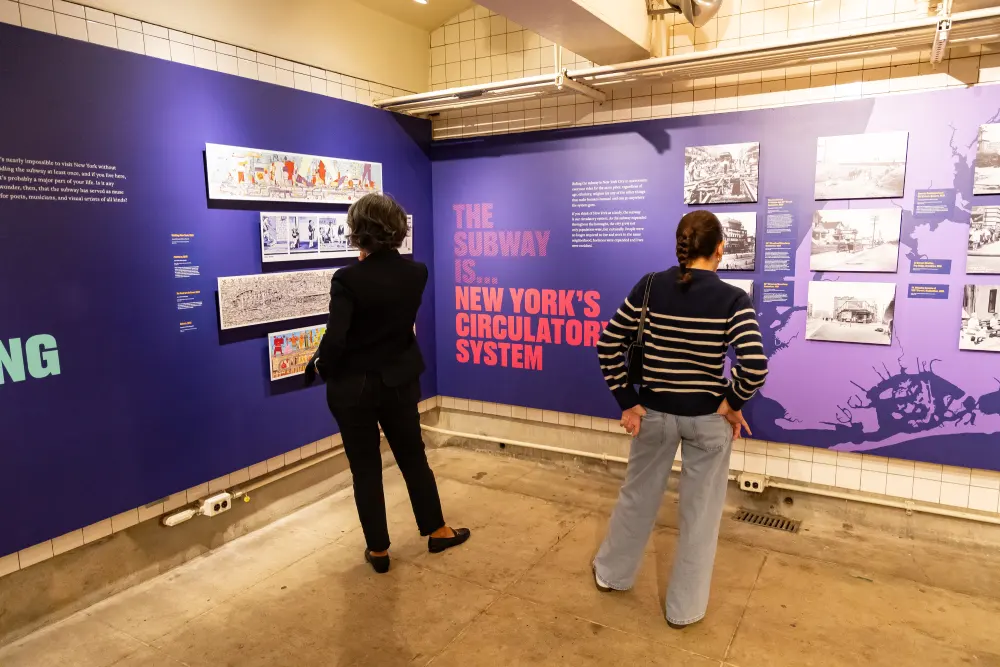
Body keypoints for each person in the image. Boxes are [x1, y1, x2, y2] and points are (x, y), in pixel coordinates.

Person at [592, 210, 769, 629]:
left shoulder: (650, 286)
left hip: (652, 413)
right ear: (720, 249)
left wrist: (626, 399)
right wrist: (732, 401)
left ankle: (613, 576)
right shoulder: (732, 299)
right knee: (700, 514)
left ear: (682, 246)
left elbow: (607, 343)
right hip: (707, 419)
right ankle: (684, 610)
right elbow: (755, 365)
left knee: (637, 499)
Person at [306, 193, 470, 574]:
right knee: (413, 458)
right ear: (396, 229)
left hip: (353, 387)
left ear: (359, 232)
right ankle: (437, 530)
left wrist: (324, 367)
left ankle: (379, 551)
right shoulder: (417, 273)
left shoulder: (347, 279)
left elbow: (336, 339)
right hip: (398, 380)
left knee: (365, 468)